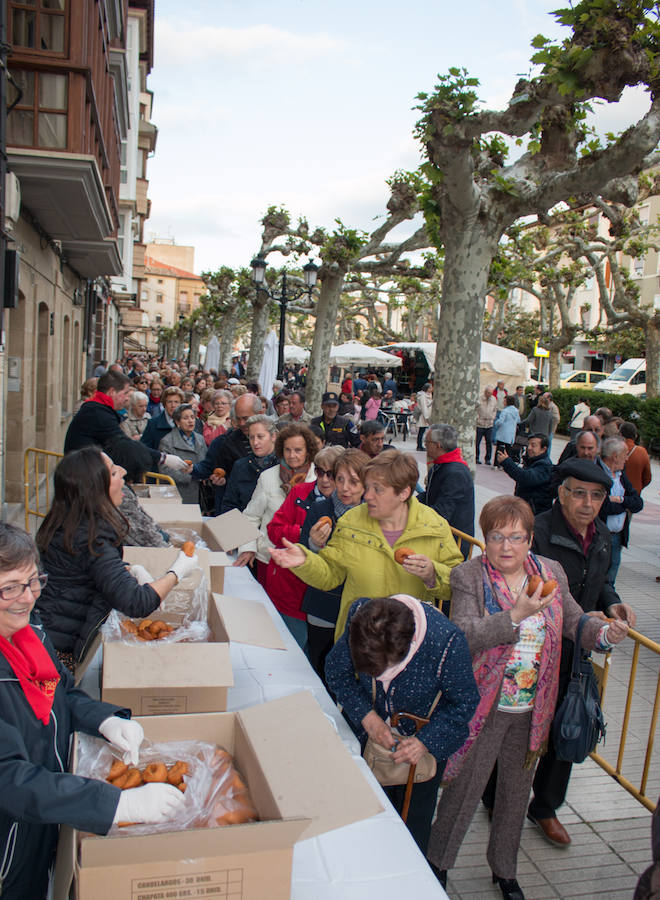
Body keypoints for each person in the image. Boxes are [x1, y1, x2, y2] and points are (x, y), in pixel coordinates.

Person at [426, 495, 629, 898]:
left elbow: (574, 620)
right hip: (484, 705)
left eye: (516, 537)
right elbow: (462, 635)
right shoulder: (471, 576)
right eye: (497, 536)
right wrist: (514, 617)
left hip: (532, 707)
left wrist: (604, 634)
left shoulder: (550, 571)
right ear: (485, 539)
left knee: (516, 795)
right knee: (465, 791)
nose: (505, 546)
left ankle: (505, 869)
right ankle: (437, 863)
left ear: (530, 540)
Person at [0, 523, 187, 898]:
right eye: (9, 588)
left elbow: (62, 692)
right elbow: (9, 778)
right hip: (10, 842)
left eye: (33, 582)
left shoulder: (28, 633)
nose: (27, 598)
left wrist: (103, 718)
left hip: (46, 814)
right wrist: (115, 803)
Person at [526, 458, 637, 847]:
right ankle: (496, 797)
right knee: (521, 730)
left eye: (597, 495)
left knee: (568, 725)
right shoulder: (537, 531)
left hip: (578, 654)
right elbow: (525, 590)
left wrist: (613, 604)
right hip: (533, 649)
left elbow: (602, 581)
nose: (588, 503)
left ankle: (545, 807)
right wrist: (578, 616)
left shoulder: (604, 535)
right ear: (561, 493)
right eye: (579, 493)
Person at [326, 595, 479, 855]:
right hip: (367, 743)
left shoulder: (446, 641)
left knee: (411, 833)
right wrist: (368, 717)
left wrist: (424, 741)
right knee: (363, 821)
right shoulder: (362, 615)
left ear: (409, 646)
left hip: (420, 759)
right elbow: (336, 671)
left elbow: (464, 703)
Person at [269, 449, 464, 640]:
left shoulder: (434, 526)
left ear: (404, 493)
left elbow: (457, 585)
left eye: (377, 489)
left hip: (409, 645)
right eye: (367, 486)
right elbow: (331, 574)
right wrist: (305, 560)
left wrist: (432, 574)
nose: (368, 495)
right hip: (358, 641)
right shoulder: (351, 521)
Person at [35, 447, 198, 668]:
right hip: (57, 652)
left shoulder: (71, 523)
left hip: (50, 636)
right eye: (112, 472)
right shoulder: (91, 537)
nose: (122, 472)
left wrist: (128, 570)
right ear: (94, 489)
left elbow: (82, 569)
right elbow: (137, 602)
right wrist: (177, 571)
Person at [299, 449, 369, 678]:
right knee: (320, 667)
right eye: (340, 479)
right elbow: (303, 556)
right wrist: (313, 545)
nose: (345, 487)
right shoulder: (321, 509)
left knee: (353, 674)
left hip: (359, 609)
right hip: (323, 605)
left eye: (354, 481)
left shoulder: (374, 517)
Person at [235, 424, 318, 605]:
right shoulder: (268, 477)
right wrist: (248, 548)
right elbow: (251, 516)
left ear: (308, 451)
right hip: (268, 557)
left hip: (304, 560)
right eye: (287, 449)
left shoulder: (318, 479)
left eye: (298, 450)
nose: (292, 455)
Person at [191, 393, 262, 514]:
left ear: (259, 414)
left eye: (246, 418)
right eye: (238, 419)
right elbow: (216, 469)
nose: (242, 423)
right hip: (238, 506)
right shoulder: (226, 442)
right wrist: (221, 480)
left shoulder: (277, 438)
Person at [420, 424, 475, 553]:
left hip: (452, 544)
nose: (425, 446)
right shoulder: (441, 466)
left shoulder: (455, 473)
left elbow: (442, 511)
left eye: (427, 442)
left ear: (438, 445)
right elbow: (429, 496)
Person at [597, 436, 643, 586]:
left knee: (610, 579)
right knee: (597, 576)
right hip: (600, 534)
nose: (627, 459)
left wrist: (621, 500)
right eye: (625, 455)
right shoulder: (598, 473)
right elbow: (604, 507)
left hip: (617, 537)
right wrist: (624, 504)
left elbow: (638, 503)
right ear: (615, 457)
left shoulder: (621, 476)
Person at [221, 415, 278, 513]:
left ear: (273, 436)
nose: (255, 442)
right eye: (251, 437)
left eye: (260, 437)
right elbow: (229, 505)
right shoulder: (240, 466)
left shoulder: (285, 465)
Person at [158, 404, 207, 504]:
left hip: (199, 490)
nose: (190, 421)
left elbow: (205, 460)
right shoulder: (168, 441)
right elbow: (164, 469)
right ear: (177, 422)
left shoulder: (200, 438)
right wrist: (189, 476)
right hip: (178, 490)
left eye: (192, 417)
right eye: (185, 418)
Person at [497, 434, 553, 514]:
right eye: (528, 445)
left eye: (533, 445)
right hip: (525, 507)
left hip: (535, 512)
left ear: (543, 449)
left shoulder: (544, 465)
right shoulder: (532, 461)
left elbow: (526, 478)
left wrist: (507, 462)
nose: (529, 448)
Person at [140, 386, 184, 451]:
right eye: (169, 402)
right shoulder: (152, 424)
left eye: (176, 402)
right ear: (164, 404)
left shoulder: (188, 423)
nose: (173, 405)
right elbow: (144, 449)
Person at [621, 421, 652, 495]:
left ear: (620, 434)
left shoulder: (614, 448)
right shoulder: (641, 452)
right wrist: (638, 487)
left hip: (616, 495)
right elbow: (647, 478)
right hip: (634, 494)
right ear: (635, 436)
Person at [492, 396, 521, 464]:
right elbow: (518, 420)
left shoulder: (505, 411)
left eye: (504, 401)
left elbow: (501, 421)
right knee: (508, 450)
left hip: (503, 432)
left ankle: (496, 464)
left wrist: (496, 423)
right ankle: (507, 464)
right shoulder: (516, 411)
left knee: (499, 449)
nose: (503, 402)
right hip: (511, 433)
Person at [475, 385, 498, 464]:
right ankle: (476, 457)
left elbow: (495, 409)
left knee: (489, 442)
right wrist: (477, 418)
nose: (489, 395)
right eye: (488, 393)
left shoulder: (494, 400)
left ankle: (488, 459)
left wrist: (493, 417)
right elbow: (475, 409)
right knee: (477, 442)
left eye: (491, 393)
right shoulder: (479, 399)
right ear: (485, 392)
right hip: (480, 423)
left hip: (489, 424)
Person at [416, 382, 433, 451]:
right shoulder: (423, 396)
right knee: (421, 431)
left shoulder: (429, 395)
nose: (432, 389)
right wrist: (426, 417)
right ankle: (419, 445)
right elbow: (424, 407)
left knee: (423, 430)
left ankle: (420, 445)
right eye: (431, 388)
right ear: (427, 388)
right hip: (423, 415)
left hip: (427, 414)